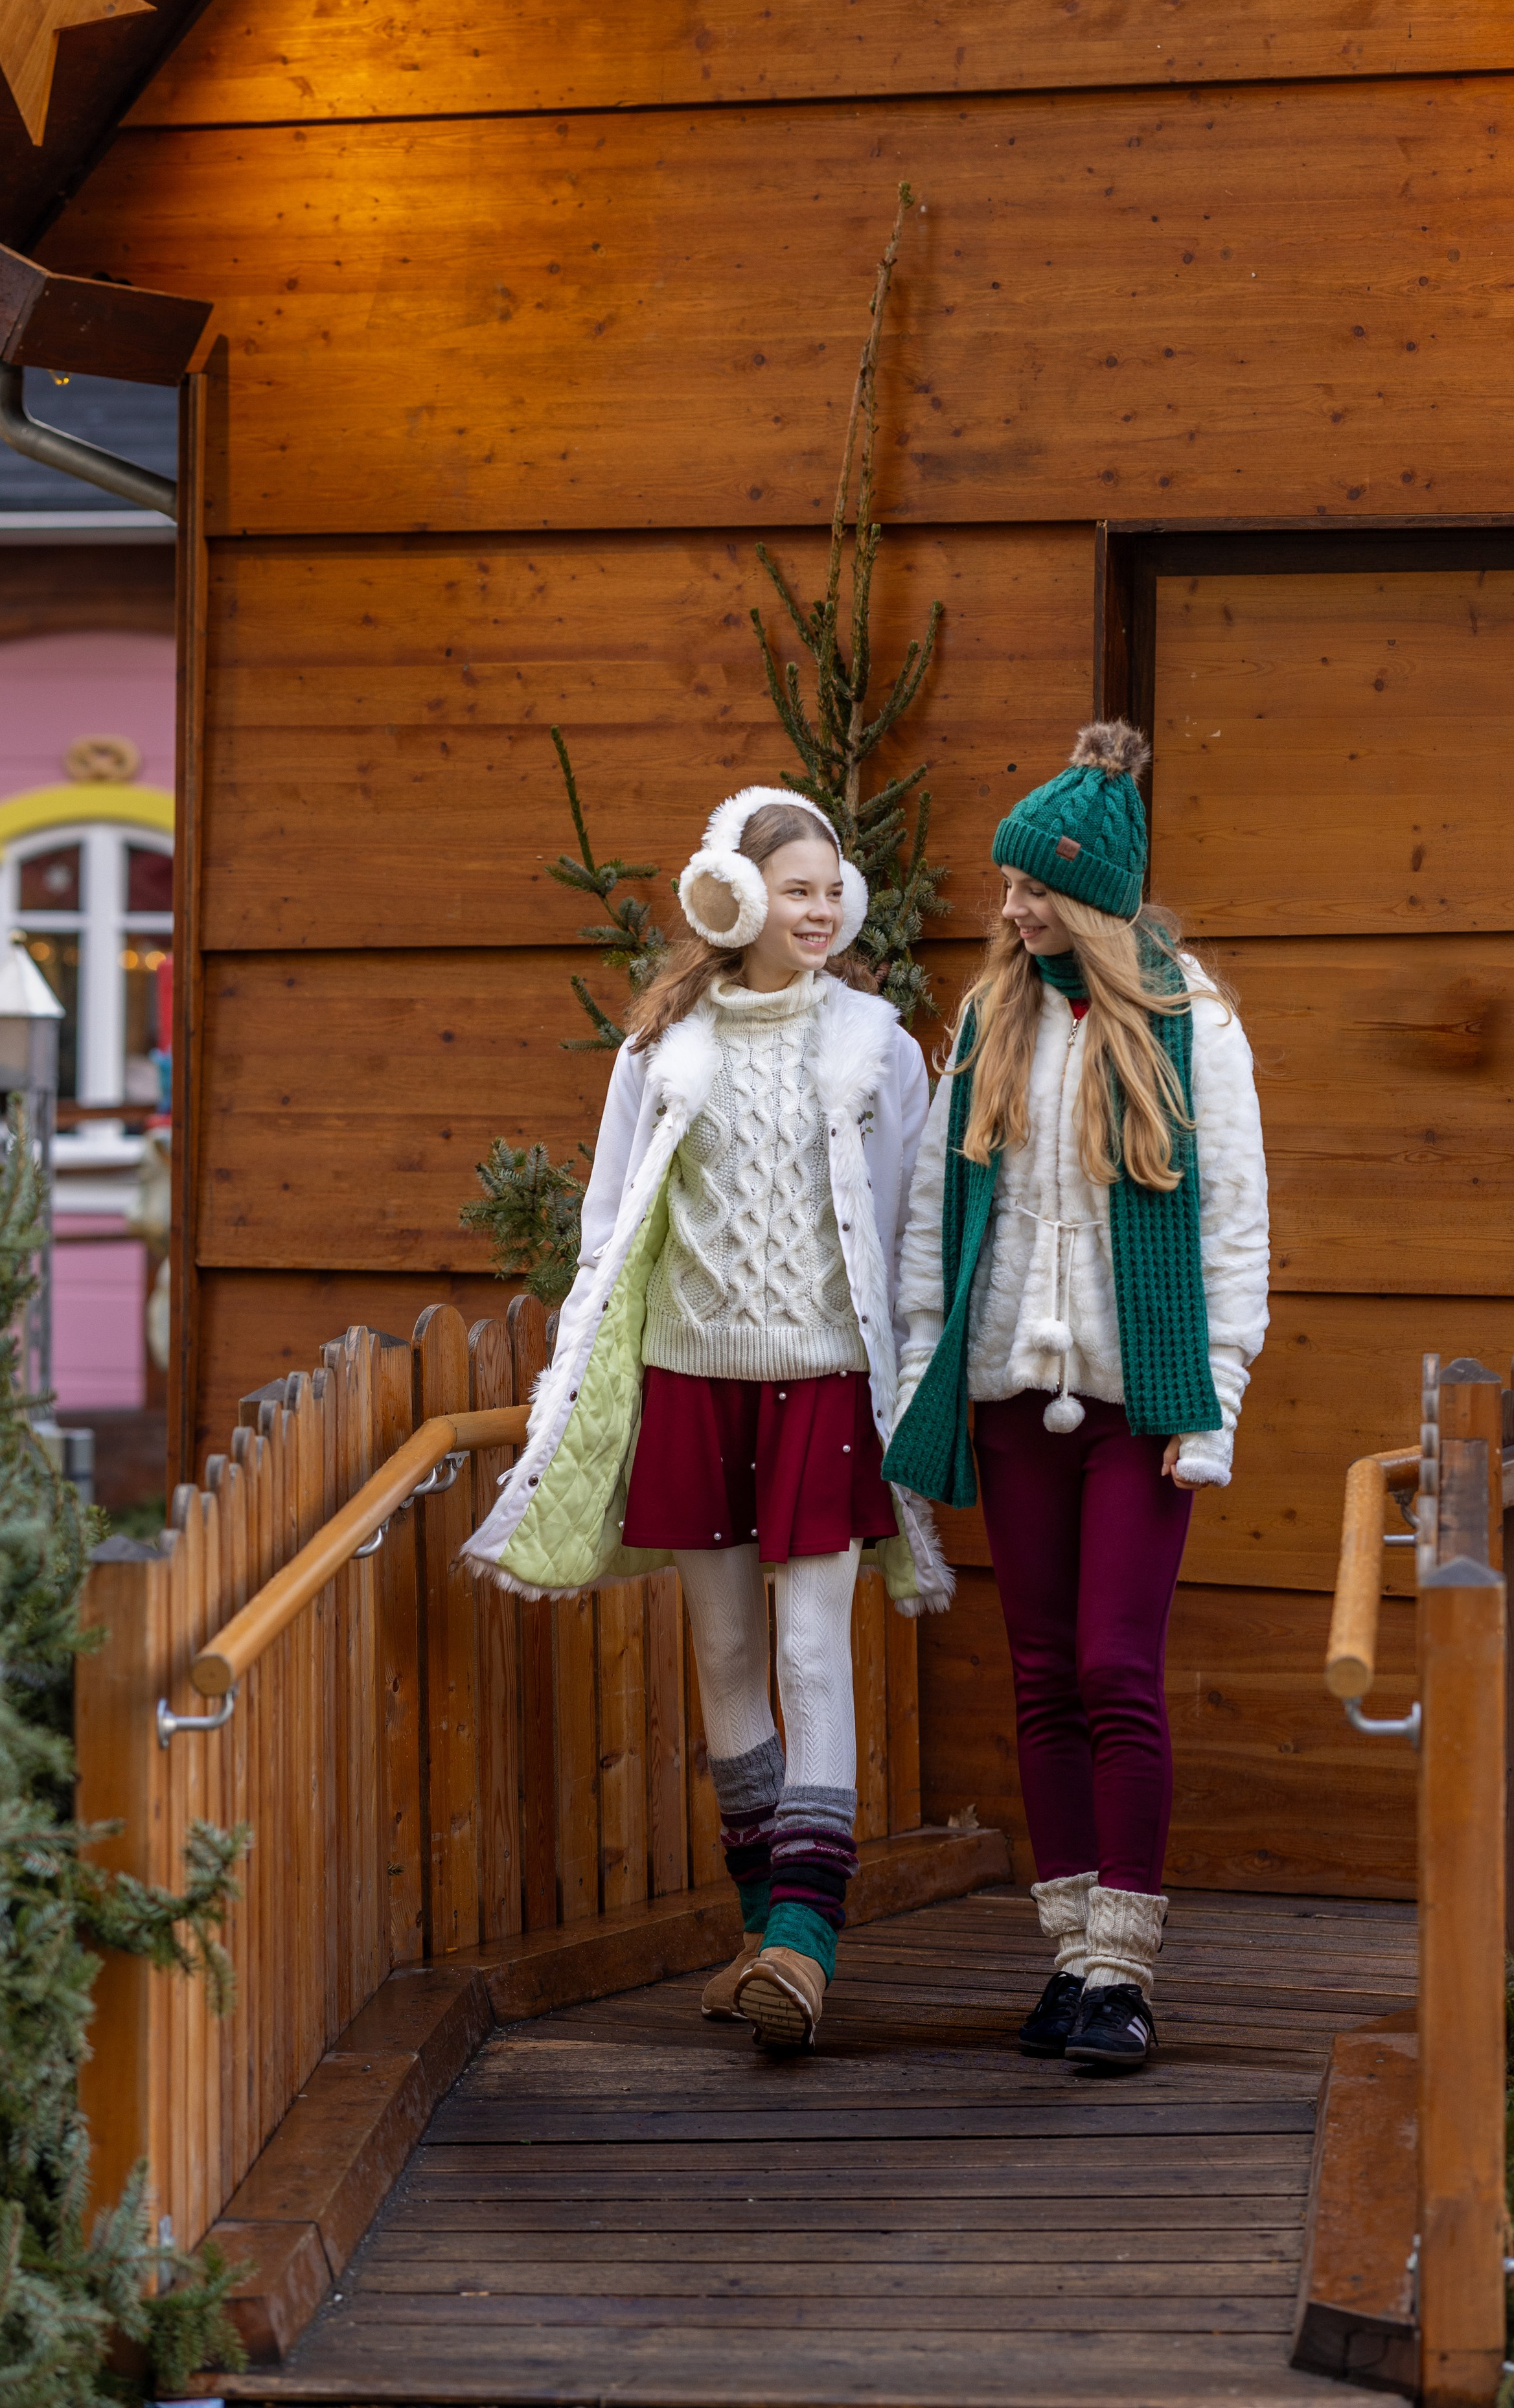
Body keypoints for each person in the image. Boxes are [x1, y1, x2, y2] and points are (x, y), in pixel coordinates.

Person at [463, 786, 945, 2050]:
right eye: (796, 890)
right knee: (727, 1657)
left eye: (832, 890)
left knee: (809, 1653)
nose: (820, 910)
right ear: (732, 897)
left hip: (824, 1382)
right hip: (689, 1379)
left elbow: (911, 1224)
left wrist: (914, 1374)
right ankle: (758, 1931)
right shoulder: (661, 1049)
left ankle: (805, 1943)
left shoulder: (877, 1048)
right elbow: (609, 1221)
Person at [884, 721, 1268, 2072]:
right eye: (1007, 884)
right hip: (1009, 1395)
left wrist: (1210, 1404)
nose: (1010, 906)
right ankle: (1066, 1958)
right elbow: (935, 1216)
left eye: (1032, 887)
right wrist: (925, 1366)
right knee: (1041, 1672)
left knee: (1115, 1666)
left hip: (1136, 1401)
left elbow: (1232, 1229)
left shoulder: (1191, 1025)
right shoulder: (987, 1018)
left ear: (1092, 899)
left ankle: (1124, 1967)